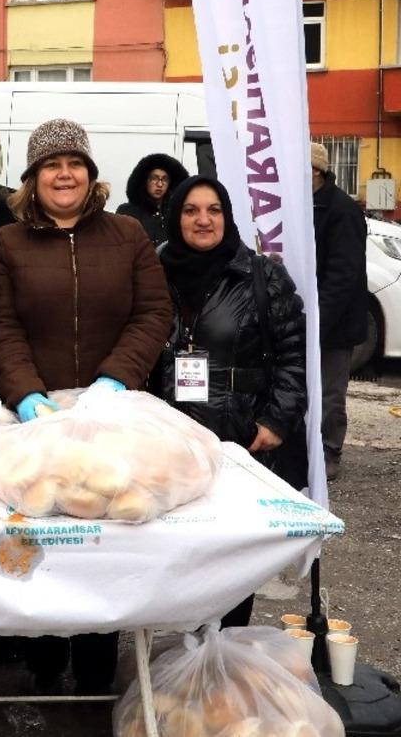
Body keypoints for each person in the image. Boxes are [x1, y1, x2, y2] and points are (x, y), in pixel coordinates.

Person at [0, 118, 172, 695]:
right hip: (38, 422)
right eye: (50, 165)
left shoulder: (127, 235)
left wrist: (114, 382)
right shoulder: (9, 242)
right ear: (33, 179)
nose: (63, 173)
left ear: (91, 176)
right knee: (43, 527)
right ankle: (42, 658)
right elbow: (4, 325)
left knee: (105, 534)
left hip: (114, 418)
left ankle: (97, 663)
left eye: (74, 164)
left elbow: (154, 313)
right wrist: (26, 398)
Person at [156, 175, 307, 625]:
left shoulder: (261, 275)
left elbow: (293, 357)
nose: (203, 220)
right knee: (176, 557)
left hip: (239, 441)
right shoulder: (151, 270)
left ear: (227, 216)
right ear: (175, 216)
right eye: (191, 210)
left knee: (231, 562)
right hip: (169, 443)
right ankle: (177, 666)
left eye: (214, 210)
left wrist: (275, 422)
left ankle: (225, 661)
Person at [311, 142, 367, 481]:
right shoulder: (306, 205)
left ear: (317, 172)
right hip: (308, 316)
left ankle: (330, 450)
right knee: (305, 388)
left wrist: (320, 319)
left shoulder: (342, 210)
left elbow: (343, 275)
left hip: (335, 321)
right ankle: (307, 447)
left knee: (331, 392)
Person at [116, 153, 190, 246]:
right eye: (154, 178)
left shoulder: (176, 213)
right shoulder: (127, 212)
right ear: (144, 181)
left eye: (164, 179)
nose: (160, 184)